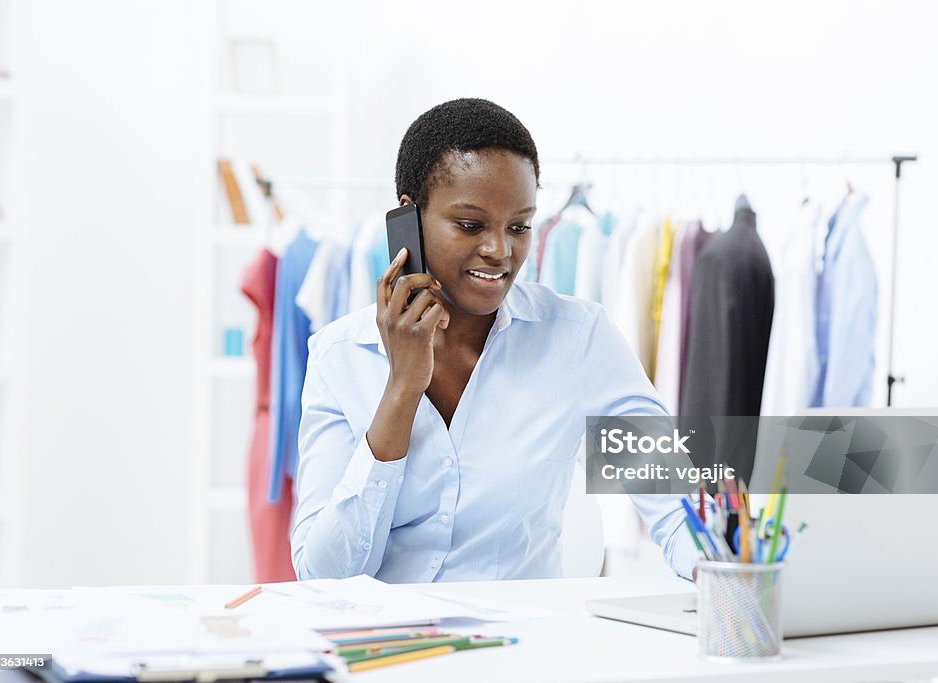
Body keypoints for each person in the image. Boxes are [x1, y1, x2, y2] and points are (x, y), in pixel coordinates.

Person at [291, 98, 699, 582]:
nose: (499, 251)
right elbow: (322, 577)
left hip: (521, 646)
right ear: (409, 216)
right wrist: (401, 390)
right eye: (470, 225)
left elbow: (675, 505)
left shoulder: (579, 338)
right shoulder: (340, 358)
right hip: (386, 649)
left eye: (519, 226)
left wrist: (735, 586)